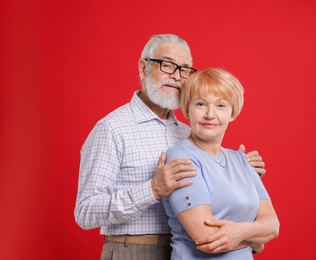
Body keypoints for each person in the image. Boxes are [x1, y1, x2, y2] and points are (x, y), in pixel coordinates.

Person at [74, 34, 266, 260]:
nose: (176, 76)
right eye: (167, 65)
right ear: (144, 67)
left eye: (184, 69)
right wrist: (152, 189)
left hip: (189, 250)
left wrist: (237, 172)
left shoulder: (188, 132)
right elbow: (85, 212)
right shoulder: (112, 129)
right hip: (134, 251)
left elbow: (212, 201)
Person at [162, 68, 279, 259]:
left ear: (232, 112)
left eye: (221, 106)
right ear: (187, 109)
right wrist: (256, 239)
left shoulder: (242, 160)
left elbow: (273, 226)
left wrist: (240, 232)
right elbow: (207, 238)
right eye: (200, 104)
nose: (210, 114)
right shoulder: (181, 158)